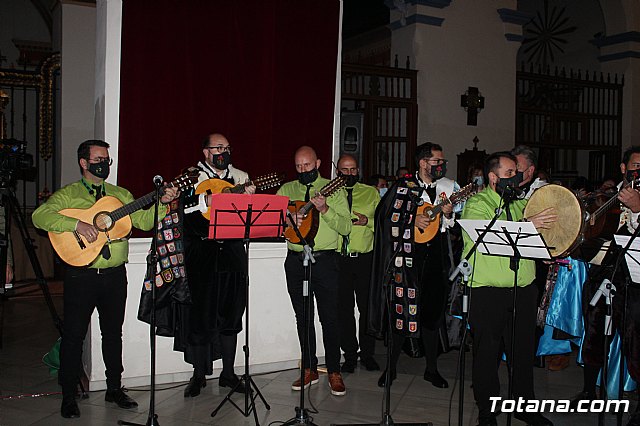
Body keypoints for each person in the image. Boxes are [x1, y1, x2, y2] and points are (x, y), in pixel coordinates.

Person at [32, 139, 179, 419]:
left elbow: (145, 222)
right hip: (81, 275)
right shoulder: (69, 194)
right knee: (74, 335)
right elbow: (40, 217)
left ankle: (114, 388)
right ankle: (68, 395)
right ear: (84, 163)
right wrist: (76, 223)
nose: (104, 164)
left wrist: (163, 202)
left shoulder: (120, 194)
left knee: (113, 334)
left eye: (107, 160)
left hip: (114, 276)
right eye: (98, 159)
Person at [461, 151, 555, 426]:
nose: (516, 177)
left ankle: (524, 406)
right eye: (509, 173)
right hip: (488, 292)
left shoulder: (520, 205)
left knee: (522, 353)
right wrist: (527, 226)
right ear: (493, 178)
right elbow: (492, 237)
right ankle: (487, 411)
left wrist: (544, 250)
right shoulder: (477, 204)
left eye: (517, 172)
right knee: (487, 355)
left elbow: (529, 242)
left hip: (523, 290)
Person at [374, 142, 461, 389]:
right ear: (423, 163)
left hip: (436, 257)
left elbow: (453, 226)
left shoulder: (447, 187)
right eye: (437, 161)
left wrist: (447, 213)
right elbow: (385, 217)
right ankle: (390, 369)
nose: (441, 165)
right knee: (402, 311)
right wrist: (413, 221)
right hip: (408, 257)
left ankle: (431, 370)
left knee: (432, 314)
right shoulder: (403, 186)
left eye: (442, 162)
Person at [179, 133, 255, 397]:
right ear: (206, 152)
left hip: (232, 254)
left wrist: (250, 200)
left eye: (227, 147)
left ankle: (229, 374)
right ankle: (199, 375)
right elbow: (180, 209)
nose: (224, 151)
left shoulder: (242, 176)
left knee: (232, 314)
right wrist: (205, 201)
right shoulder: (192, 176)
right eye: (218, 147)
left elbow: (249, 217)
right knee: (201, 315)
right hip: (202, 254)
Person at [572, 146, 640, 426]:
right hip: (604, 275)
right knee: (594, 333)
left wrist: (637, 208)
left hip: (635, 283)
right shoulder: (608, 195)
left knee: (636, 343)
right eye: (635, 165)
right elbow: (591, 233)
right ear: (624, 169)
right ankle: (590, 389)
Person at [277, 146, 351, 396]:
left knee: (329, 317)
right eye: (298, 166)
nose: (302, 171)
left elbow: (346, 227)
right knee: (303, 316)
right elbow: (274, 221)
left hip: (325, 262)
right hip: (296, 260)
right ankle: (308, 367)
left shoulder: (335, 188)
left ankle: (333, 371)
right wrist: (287, 221)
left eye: (307, 166)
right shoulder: (287, 190)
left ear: (318, 163)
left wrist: (325, 210)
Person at [336, 154, 380, 373]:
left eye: (353, 170)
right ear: (337, 171)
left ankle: (368, 354)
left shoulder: (371, 192)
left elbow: (383, 221)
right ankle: (350, 355)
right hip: (340, 260)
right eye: (345, 170)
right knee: (344, 310)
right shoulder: (331, 192)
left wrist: (367, 221)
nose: (349, 174)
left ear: (358, 170)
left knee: (366, 309)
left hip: (365, 260)